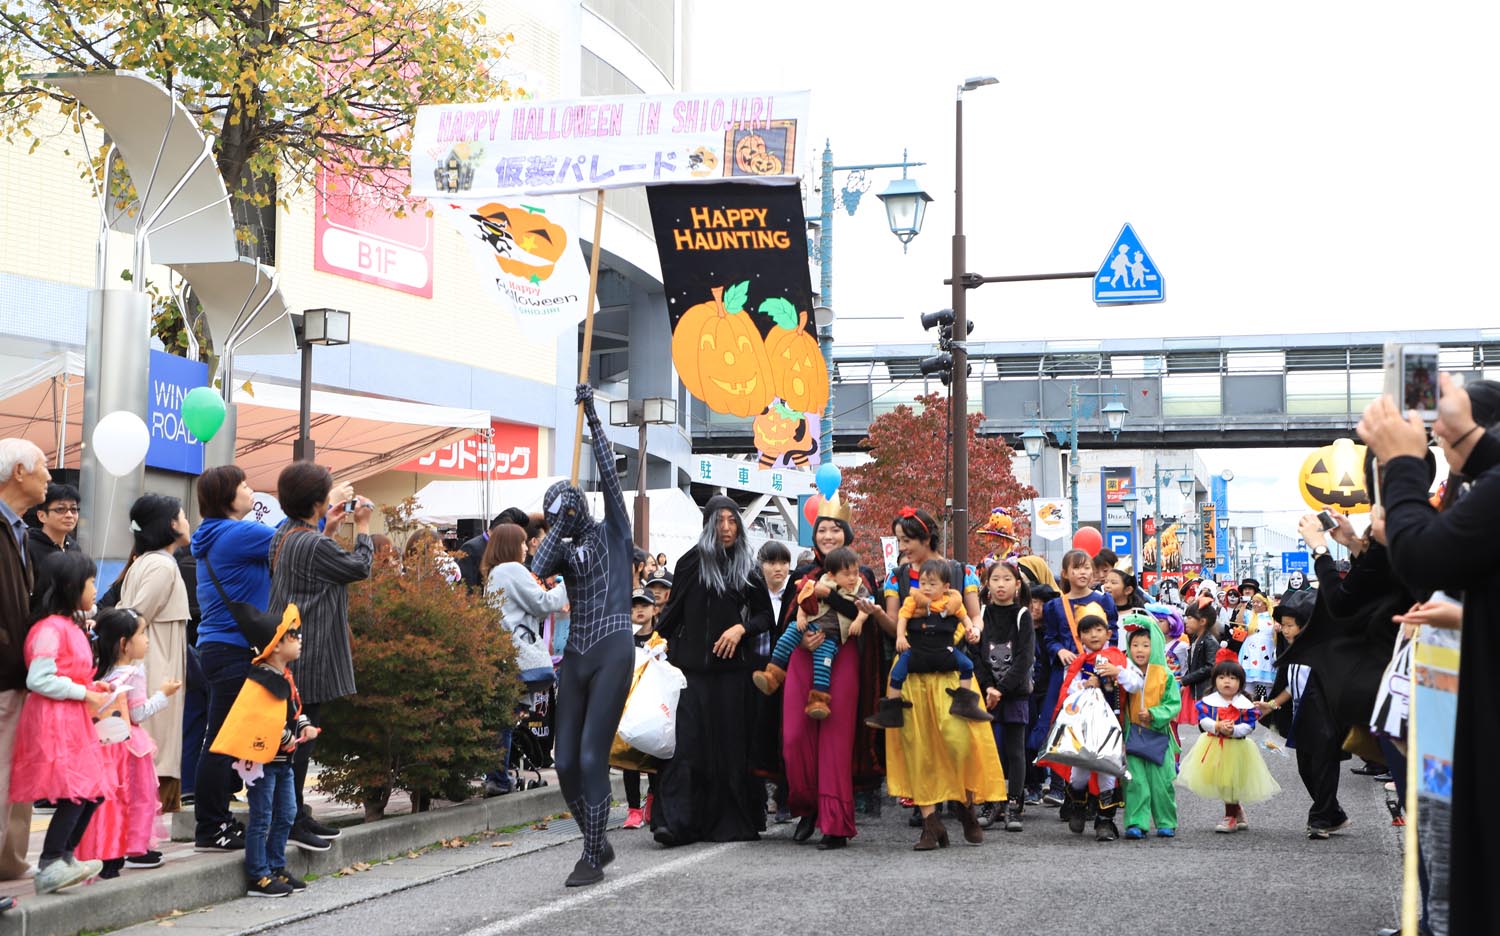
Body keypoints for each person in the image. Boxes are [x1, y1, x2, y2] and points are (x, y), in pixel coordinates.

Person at [1359, 373, 1500, 933]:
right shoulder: (1478, 481)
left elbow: (1425, 558)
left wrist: (1403, 466)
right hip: (1446, 693)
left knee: (1461, 854)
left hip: (1467, 704)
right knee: (1444, 841)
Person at [528, 386, 634, 886]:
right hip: (576, 652)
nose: (560, 522)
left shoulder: (614, 532)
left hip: (613, 644)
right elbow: (538, 565)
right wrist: (559, 523)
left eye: (566, 514)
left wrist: (593, 415)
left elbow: (611, 476)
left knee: (593, 755)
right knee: (564, 760)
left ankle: (592, 854)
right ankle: (596, 839)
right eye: (552, 519)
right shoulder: (566, 550)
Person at [752, 494, 886, 850]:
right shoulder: (803, 574)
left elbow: (865, 615)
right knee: (795, 738)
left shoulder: (862, 573)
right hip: (800, 659)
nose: (828, 535)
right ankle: (807, 808)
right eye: (822, 529)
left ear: (846, 534)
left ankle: (835, 822)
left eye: (835, 530)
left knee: (834, 743)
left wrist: (831, 594)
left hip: (842, 661)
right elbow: (789, 620)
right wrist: (801, 640)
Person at [881, 508, 1005, 851]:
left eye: (907, 541)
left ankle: (965, 805)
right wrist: (878, 614)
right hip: (914, 672)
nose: (902, 547)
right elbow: (895, 626)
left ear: (926, 539)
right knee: (918, 748)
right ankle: (930, 823)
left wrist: (976, 631)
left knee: (958, 742)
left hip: (952, 673)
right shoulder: (897, 577)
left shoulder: (961, 572)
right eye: (899, 541)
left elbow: (975, 615)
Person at [652, 494, 767, 849]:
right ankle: (677, 823)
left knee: (730, 749)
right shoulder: (690, 563)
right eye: (720, 522)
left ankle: (729, 821)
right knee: (685, 748)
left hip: (733, 676)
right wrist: (654, 643)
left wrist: (740, 629)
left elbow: (766, 617)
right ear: (708, 525)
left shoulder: (747, 568)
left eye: (733, 522)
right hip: (690, 674)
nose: (727, 529)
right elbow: (672, 615)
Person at [268, 462, 372, 850]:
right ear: (316, 502)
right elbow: (359, 567)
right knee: (300, 741)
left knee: (296, 739)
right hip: (308, 656)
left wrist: (329, 527)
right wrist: (361, 526)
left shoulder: (286, 536)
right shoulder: (310, 543)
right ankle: (291, 818)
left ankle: (294, 813)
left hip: (291, 652)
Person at [10, 551, 108, 893]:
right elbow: (40, 678)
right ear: (69, 586)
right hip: (56, 720)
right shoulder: (50, 629)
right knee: (78, 791)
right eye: (90, 581)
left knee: (92, 791)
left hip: (71, 717)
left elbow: (66, 674)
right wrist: (84, 694)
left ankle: (64, 857)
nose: (96, 588)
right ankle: (51, 862)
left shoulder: (66, 626)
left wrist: (94, 688)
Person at [191, 465, 276, 852]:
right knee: (222, 741)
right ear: (228, 496)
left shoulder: (211, 535)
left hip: (217, 647)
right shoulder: (239, 533)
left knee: (224, 737)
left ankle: (218, 820)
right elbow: (291, 542)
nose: (250, 489)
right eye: (244, 484)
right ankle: (210, 827)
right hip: (233, 649)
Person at [209, 603, 315, 898]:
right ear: (276, 645)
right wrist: (284, 735)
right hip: (264, 762)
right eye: (293, 635)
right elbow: (256, 719)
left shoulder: (285, 676)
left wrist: (303, 725)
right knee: (262, 816)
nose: (299, 638)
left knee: (287, 814)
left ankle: (276, 865)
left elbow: (294, 708)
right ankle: (259, 874)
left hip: (284, 760)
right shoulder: (259, 680)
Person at [74, 607, 179, 877]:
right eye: (142, 634)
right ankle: (136, 847)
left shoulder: (99, 670)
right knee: (140, 798)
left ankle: (111, 846)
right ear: (124, 643)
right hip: (130, 745)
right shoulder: (133, 673)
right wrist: (164, 694)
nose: (146, 640)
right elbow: (138, 713)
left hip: (106, 745)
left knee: (113, 800)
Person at [118, 493, 193, 812]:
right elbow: (136, 617)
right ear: (172, 524)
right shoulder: (162, 565)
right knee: (152, 747)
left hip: (152, 664)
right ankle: (140, 834)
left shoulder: (148, 561)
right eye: (183, 516)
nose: (188, 522)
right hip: (155, 666)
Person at [482, 522, 567, 797]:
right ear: (510, 545)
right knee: (505, 719)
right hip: (515, 655)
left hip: (501, 654)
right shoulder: (512, 570)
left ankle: (497, 776)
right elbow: (543, 603)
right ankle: (498, 778)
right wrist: (565, 585)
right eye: (520, 542)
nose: (524, 547)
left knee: (502, 718)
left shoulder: (495, 573)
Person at [1044, 606, 1137, 841]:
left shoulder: (1118, 659)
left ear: (1108, 633)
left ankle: (1105, 822)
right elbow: (1068, 693)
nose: (1094, 635)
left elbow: (1135, 685)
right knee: (1079, 775)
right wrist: (1085, 686)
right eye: (1088, 631)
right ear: (1080, 636)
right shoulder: (1078, 664)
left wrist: (1116, 675)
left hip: (1109, 727)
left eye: (1099, 629)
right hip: (1083, 728)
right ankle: (1078, 805)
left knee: (1107, 772)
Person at [0, 438, 49, 883]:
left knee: (16, 773)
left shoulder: (18, 528)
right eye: (44, 467)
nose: (49, 476)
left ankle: (10, 862)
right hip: (4, 670)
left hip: (20, 671)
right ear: (19, 471)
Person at [1037, 548, 1117, 804]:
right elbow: (1048, 638)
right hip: (1067, 675)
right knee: (1063, 724)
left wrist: (1101, 659)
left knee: (1099, 727)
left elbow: (1113, 634)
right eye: (1076, 568)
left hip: (1100, 672)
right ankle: (1064, 788)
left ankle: (1100, 791)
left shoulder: (1104, 601)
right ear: (1065, 573)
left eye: (1086, 568)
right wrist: (1059, 650)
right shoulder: (1054, 606)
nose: (1082, 573)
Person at [868, 559, 989, 727]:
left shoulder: (952, 601)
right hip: (917, 651)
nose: (926, 588)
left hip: (945, 650)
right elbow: (902, 617)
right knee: (896, 673)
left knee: (967, 665)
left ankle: (965, 702)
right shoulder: (913, 600)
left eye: (932, 584)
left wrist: (971, 630)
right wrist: (901, 637)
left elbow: (965, 617)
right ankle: (892, 710)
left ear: (946, 587)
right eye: (922, 583)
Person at [752, 546, 870, 720]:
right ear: (831, 574)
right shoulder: (819, 581)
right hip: (806, 626)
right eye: (847, 573)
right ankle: (772, 674)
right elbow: (804, 602)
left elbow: (866, 607)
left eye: (856, 572)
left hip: (830, 636)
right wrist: (800, 618)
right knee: (786, 640)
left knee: (824, 666)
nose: (853, 577)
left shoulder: (860, 587)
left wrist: (859, 620)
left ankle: (819, 700)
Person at [1177, 653, 1280, 833]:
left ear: (1240, 682)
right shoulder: (1209, 702)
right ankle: (1236, 809)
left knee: (1231, 783)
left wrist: (1234, 730)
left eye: (1233, 678)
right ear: (1215, 680)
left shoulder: (1244, 703)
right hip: (1214, 745)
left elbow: (1249, 726)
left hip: (1237, 747)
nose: (1227, 681)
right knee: (1223, 782)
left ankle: (1230, 817)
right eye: (1222, 677)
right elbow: (1203, 721)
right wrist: (1217, 725)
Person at [973, 559, 1034, 831]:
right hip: (987, 693)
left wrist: (1002, 688)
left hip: (1015, 693)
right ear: (987, 583)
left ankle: (1013, 804)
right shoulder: (982, 613)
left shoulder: (1023, 615)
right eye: (995, 579)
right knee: (990, 750)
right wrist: (987, 686)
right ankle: (991, 800)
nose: (1001, 585)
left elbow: (1024, 658)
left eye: (1007, 579)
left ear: (1017, 584)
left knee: (1015, 750)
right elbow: (975, 654)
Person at [745, 540, 795, 823]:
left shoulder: (795, 591)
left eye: (783, 562)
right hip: (756, 670)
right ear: (760, 565)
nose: (778, 568)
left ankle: (784, 798)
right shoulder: (752, 594)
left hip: (787, 672)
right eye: (772, 562)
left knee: (784, 734)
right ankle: (759, 800)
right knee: (756, 732)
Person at [1119, 613, 1181, 839]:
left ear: (1155, 645)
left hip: (1159, 735)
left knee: (1162, 782)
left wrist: (1154, 714)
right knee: (1135, 782)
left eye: (1146, 644)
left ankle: (1166, 821)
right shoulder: (1126, 674)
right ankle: (1136, 822)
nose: (1140, 649)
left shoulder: (1165, 675)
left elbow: (1173, 704)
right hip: (1133, 734)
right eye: (1134, 644)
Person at [621, 588, 658, 830]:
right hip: (628, 705)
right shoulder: (622, 639)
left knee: (654, 755)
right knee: (629, 758)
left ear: (654, 609)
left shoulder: (661, 639)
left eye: (644, 605)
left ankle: (654, 800)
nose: (639, 610)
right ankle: (633, 809)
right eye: (634, 606)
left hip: (654, 704)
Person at [26, 481, 81, 615]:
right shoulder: (29, 546)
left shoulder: (75, 548)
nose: (69, 515)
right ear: (42, 516)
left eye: (73, 509)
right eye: (60, 509)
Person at [456, 508, 528, 592]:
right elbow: (465, 589)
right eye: (520, 542)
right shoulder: (471, 549)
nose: (525, 548)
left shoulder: (503, 552)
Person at [1178, 598, 1221, 727]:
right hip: (1198, 689)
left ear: (1202, 621)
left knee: (1208, 725)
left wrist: (1186, 679)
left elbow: (1210, 667)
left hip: (1206, 690)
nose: (1186, 621)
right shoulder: (1196, 639)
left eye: (1190, 618)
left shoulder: (1209, 641)